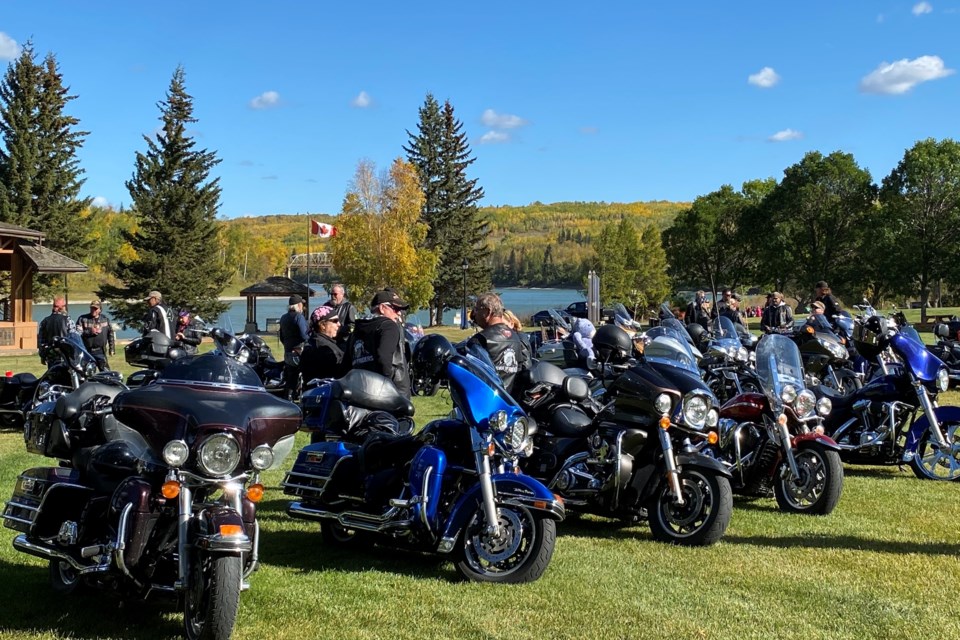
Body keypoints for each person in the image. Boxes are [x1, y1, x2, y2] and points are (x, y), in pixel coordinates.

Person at [348, 288, 411, 397]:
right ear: (382, 308)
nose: (399, 314)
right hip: (391, 394)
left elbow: (347, 365)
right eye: (395, 309)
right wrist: (387, 384)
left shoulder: (357, 330)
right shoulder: (388, 326)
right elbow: (383, 357)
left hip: (360, 392)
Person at [466, 292, 532, 394]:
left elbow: (473, 376)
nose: (474, 314)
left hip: (488, 400)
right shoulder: (516, 337)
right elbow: (523, 370)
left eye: (477, 309)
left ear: (488, 312)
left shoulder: (480, 340)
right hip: (510, 401)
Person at [300, 305, 344, 383]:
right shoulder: (322, 347)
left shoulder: (315, 341)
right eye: (335, 321)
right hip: (326, 392)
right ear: (323, 325)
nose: (339, 324)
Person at [279, 294, 309, 399]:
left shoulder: (283, 318)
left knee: (290, 379)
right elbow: (304, 335)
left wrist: (288, 346)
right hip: (298, 353)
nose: (303, 307)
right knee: (307, 375)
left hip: (287, 353)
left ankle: (288, 398)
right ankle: (304, 398)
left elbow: (281, 336)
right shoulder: (299, 317)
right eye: (302, 304)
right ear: (299, 305)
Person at [77, 300, 115, 370]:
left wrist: (112, 348)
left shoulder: (105, 319)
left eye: (96, 309)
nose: (93, 310)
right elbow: (77, 334)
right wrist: (89, 331)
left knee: (106, 373)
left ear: (100, 309)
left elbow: (110, 334)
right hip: (86, 352)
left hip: (101, 351)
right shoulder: (82, 319)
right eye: (92, 308)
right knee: (86, 373)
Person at [38, 296, 72, 365]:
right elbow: (74, 338)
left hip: (51, 355)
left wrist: (42, 356)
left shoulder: (45, 321)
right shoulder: (68, 320)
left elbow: (41, 341)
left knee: (53, 374)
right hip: (65, 355)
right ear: (62, 308)